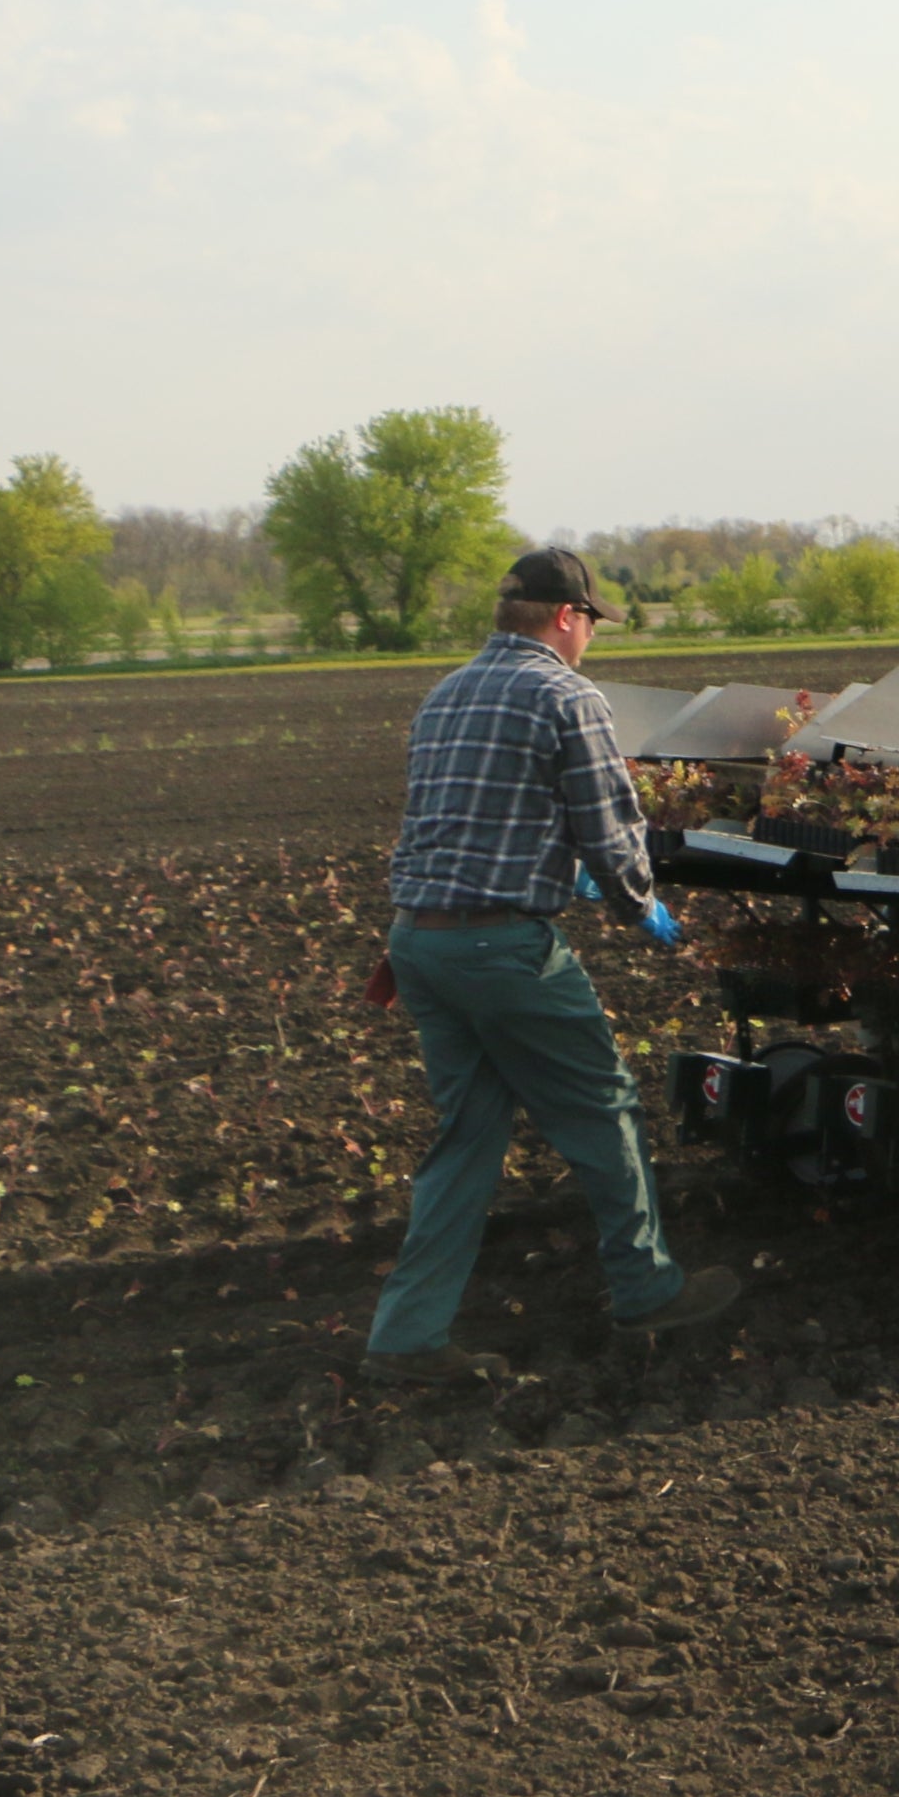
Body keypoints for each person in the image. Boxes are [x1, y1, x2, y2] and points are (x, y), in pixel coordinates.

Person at [367, 548, 739, 1384]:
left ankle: (406, 1335)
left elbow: (472, 815)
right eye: (590, 623)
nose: (590, 639)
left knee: (466, 1138)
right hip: (503, 949)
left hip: (419, 944)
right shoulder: (567, 695)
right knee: (601, 1105)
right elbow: (611, 830)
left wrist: (552, 861)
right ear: (568, 617)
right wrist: (636, 899)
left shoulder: (447, 692)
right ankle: (646, 1288)